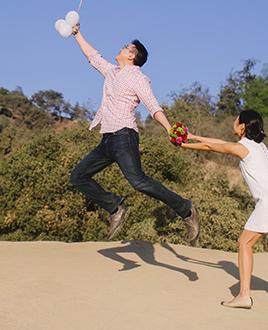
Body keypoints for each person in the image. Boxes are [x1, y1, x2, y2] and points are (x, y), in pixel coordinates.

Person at [177, 110, 268, 320]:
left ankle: (244, 295)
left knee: (244, 243)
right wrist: (192, 137)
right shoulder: (259, 147)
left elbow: (212, 147)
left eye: (237, 119)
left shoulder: (243, 148)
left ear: (243, 126)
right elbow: (218, 142)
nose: (233, 121)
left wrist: (185, 145)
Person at [68, 23, 199, 242]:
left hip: (124, 135)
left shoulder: (138, 78)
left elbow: (153, 106)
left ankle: (187, 210)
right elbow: (92, 55)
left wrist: (169, 129)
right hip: (107, 140)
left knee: (138, 181)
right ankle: (115, 208)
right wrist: (77, 34)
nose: (120, 49)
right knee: (78, 176)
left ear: (132, 56)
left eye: (126, 48)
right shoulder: (111, 72)